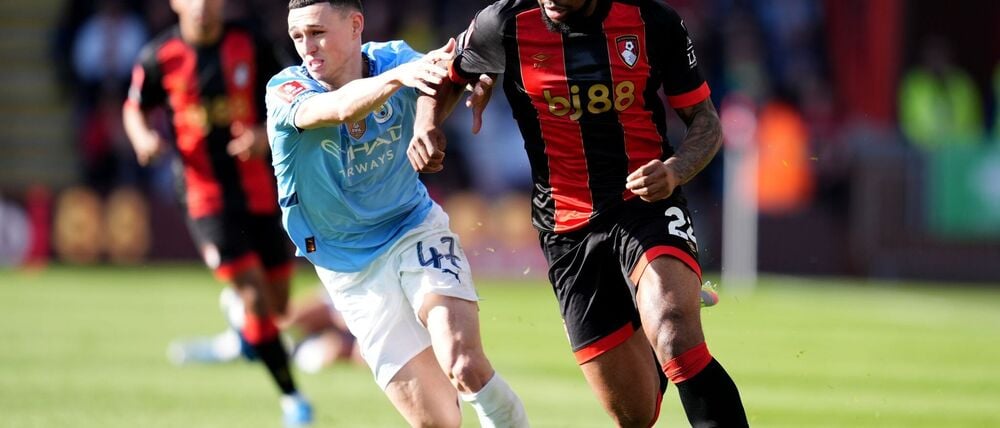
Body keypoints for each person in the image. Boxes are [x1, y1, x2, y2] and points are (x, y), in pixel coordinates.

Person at [410, 0, 748, 426]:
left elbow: (706, 121)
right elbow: (446, 73)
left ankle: (660, 301)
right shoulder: (504, 22)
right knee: (636, 414)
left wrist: (675, 170)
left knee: (676, 334)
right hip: (565, 229)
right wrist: (427, 124)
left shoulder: (651, 21)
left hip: (644, 205)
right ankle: (646, 304)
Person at [264, 1, 529, 427]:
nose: (306, 48)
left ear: (355, 26)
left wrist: (476, 83)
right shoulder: (286, 89)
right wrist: (398, 78)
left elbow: (449, 74)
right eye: (298, 37)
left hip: (412, 229)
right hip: (348, 269)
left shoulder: (396, 59)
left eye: (316, 33)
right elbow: (336, 109)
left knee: (464, 364)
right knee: (437, 422)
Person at [121, 0, 312, 426]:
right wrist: (142, 138)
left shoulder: (250, 42)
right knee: (255, 297)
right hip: (202, 193)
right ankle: (293, 398)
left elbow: (291, 91)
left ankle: (240, 325)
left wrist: (265, 133)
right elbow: (134, 107)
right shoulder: (159, 56)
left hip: (260, 188)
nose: (203, 7)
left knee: (278, 306)